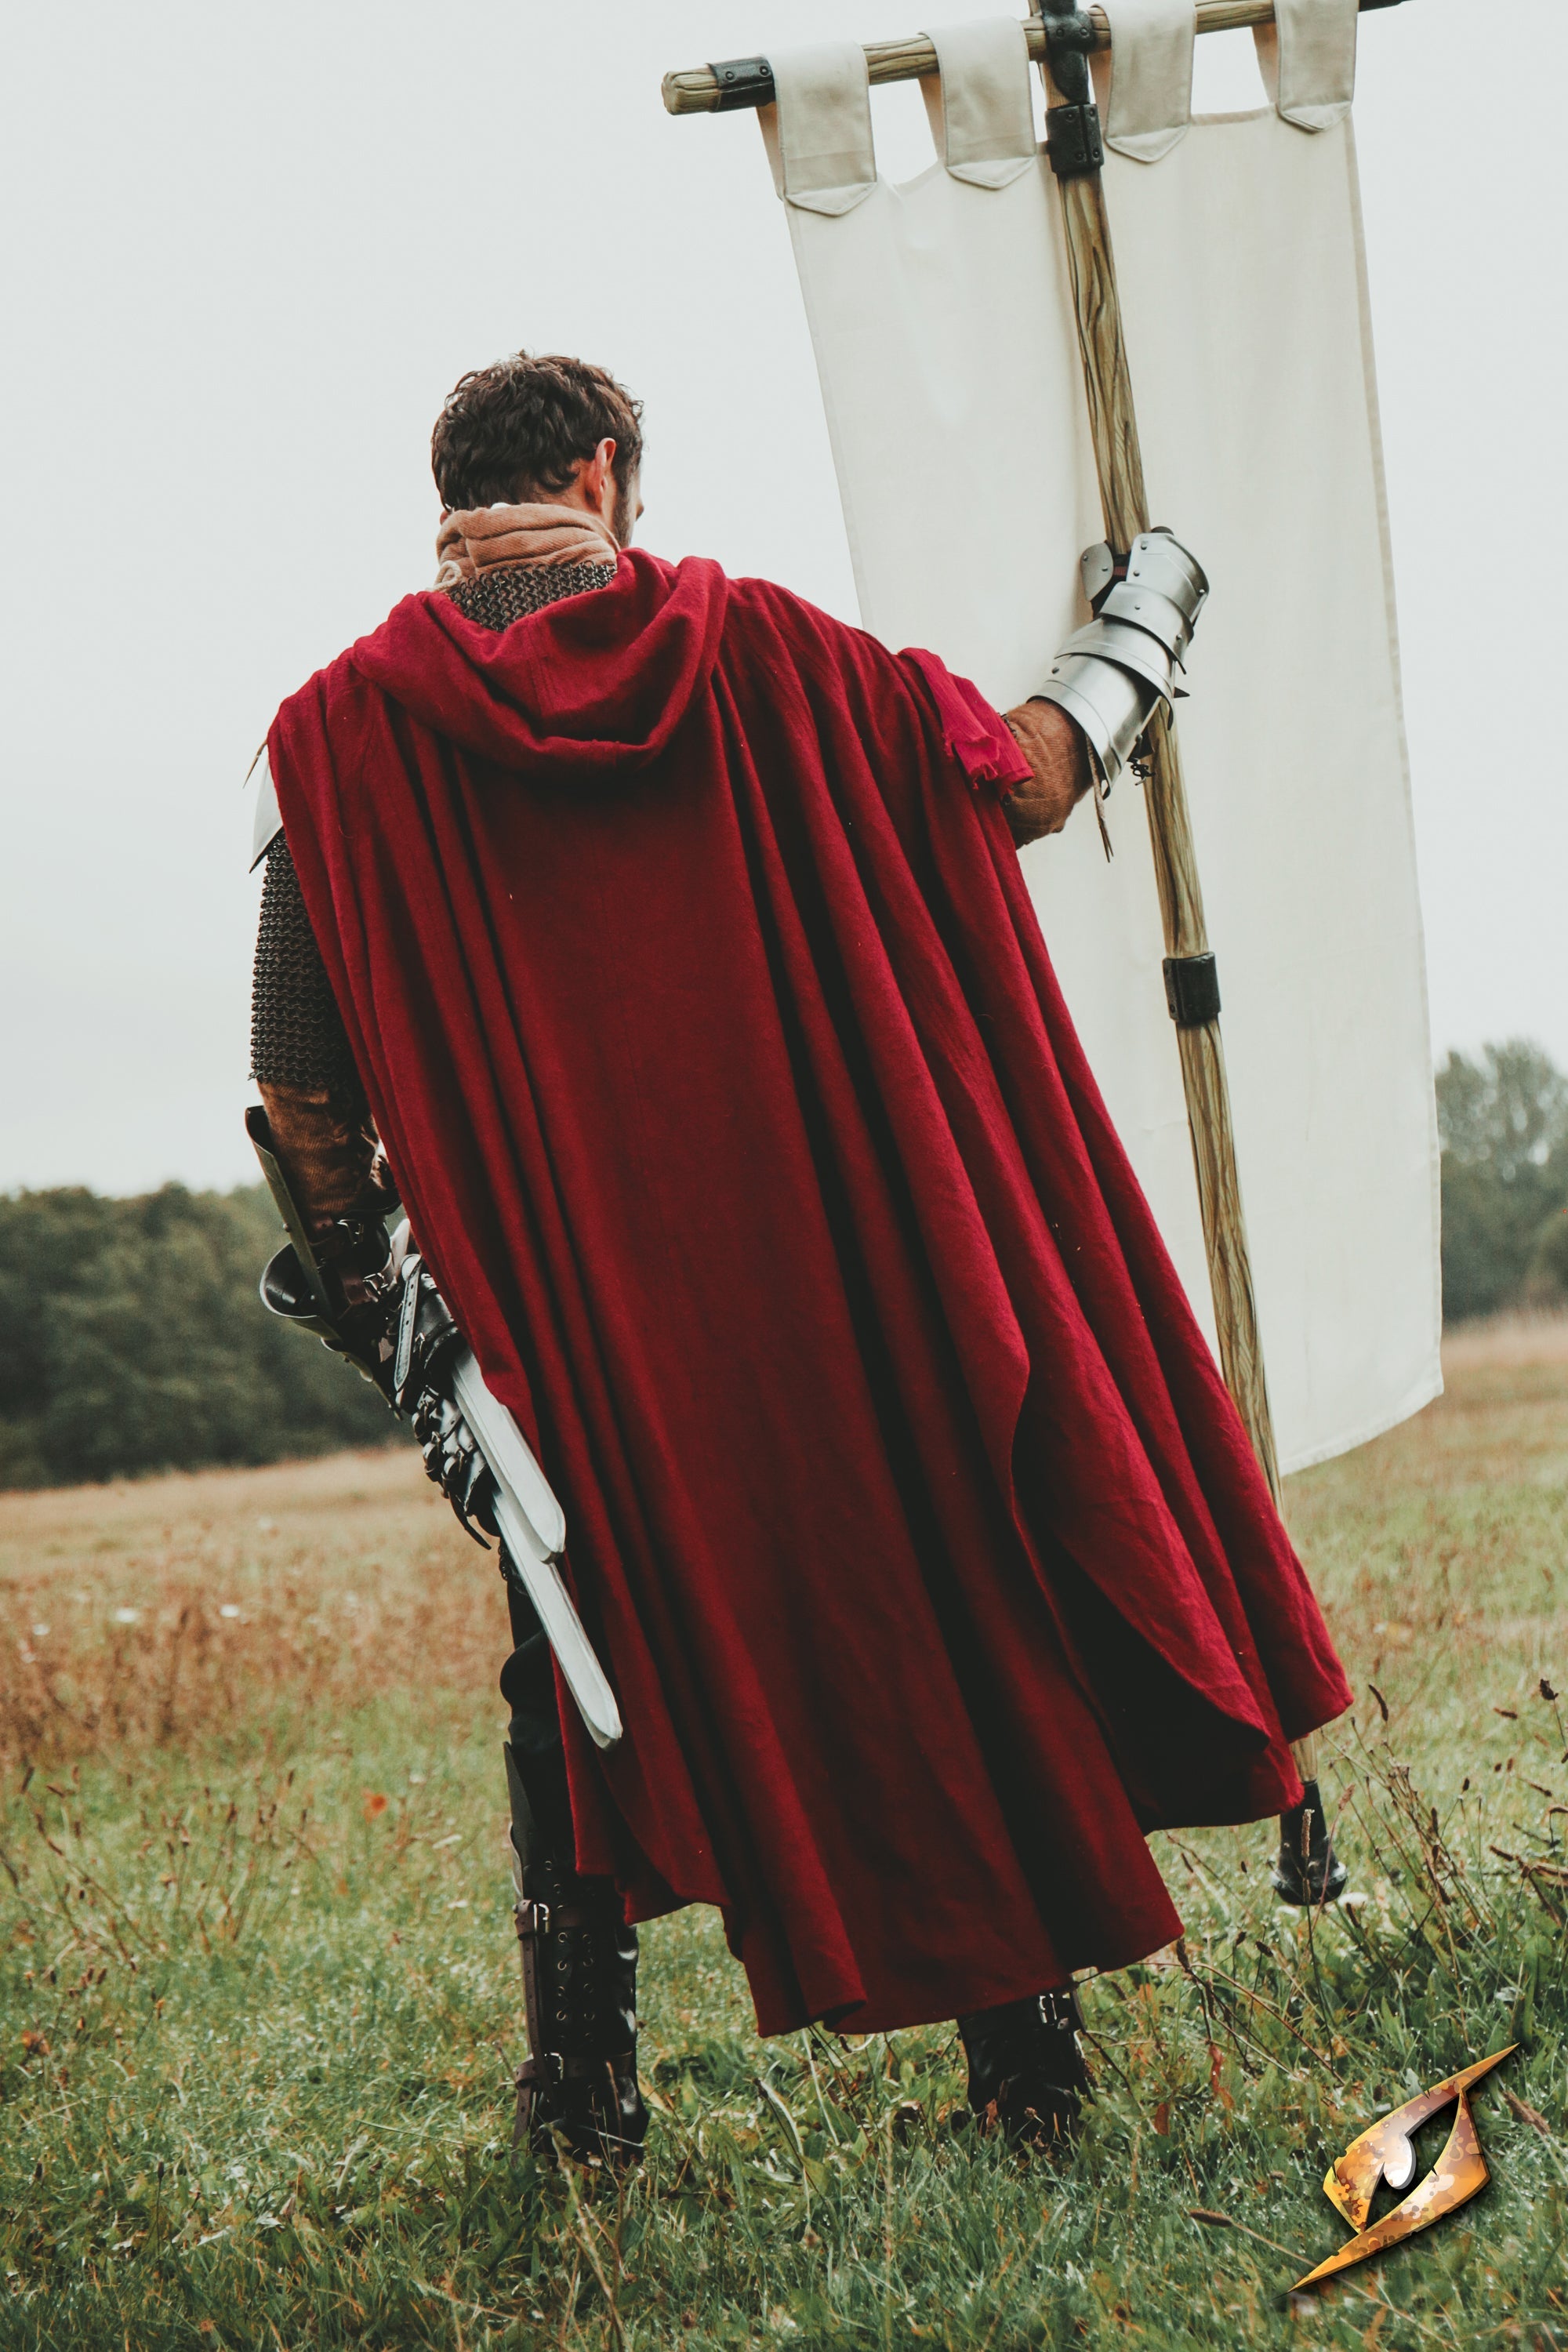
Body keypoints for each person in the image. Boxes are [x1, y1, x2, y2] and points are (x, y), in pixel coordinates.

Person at [248, 348, 1352, 2167]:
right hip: (847, 1288)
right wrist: (1144, 623)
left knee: (571, 1669)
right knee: (938, 1606)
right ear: (602, 473)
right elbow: (1015, 776)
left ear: (457, 500)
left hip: (575, 1347)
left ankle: (583, 2107)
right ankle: (1025, 2073)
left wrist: (385, 1317)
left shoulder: (335, 742)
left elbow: (301, 1089)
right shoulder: (771, 657)